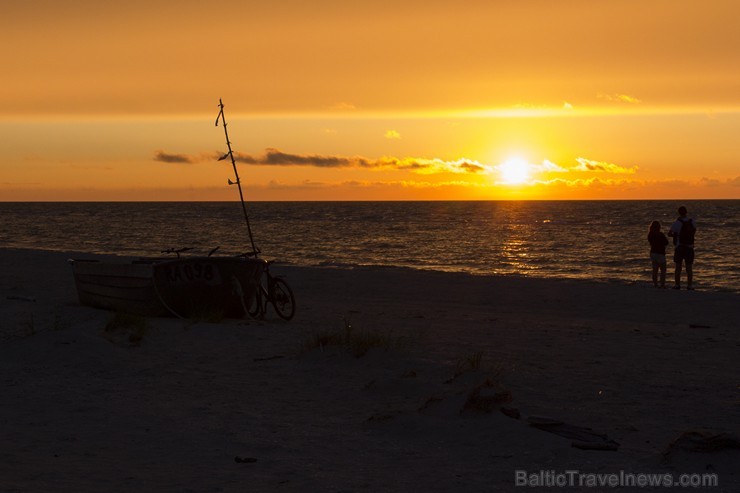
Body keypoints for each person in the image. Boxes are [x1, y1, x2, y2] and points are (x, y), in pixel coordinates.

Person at [667, 206, 696, 290]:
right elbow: (694, 231)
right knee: (689, 268)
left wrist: (676, 235)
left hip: (679, 247)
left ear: (679, 212)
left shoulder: (676, 223)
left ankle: (677, 285)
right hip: (689, 247)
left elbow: (669, 233)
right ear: (686, 212)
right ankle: (689, 285)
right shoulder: (692, 221)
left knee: (678, 267)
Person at [647, 221, 668, 288]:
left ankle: (655, 284)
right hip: (660, 253)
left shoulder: (650, 235)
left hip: (653, 253)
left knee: (655, 270)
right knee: (663, 270)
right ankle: (662, 284)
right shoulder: (660, 234)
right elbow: (666, 242)